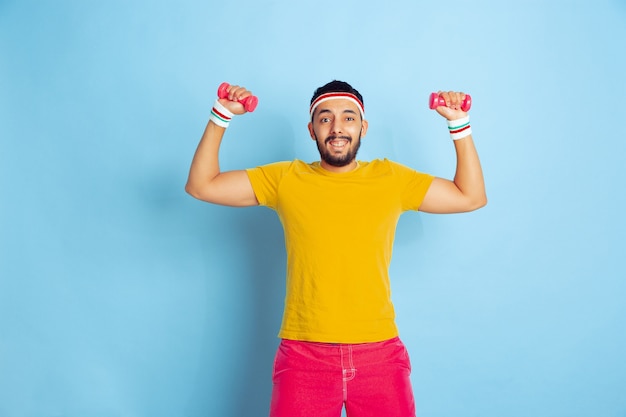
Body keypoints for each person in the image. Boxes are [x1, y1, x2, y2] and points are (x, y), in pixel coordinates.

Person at [185, 80, 487, 417]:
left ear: (363, 127)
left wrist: (458, 125)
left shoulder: (391, 179)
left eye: (348, 118)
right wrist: (222, 114)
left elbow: (470, 196)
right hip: (303, 356)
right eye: (325, 119)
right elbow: (201, 185)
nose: (337, 128)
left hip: (379, 355)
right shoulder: (286, 178)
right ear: (312, 131)